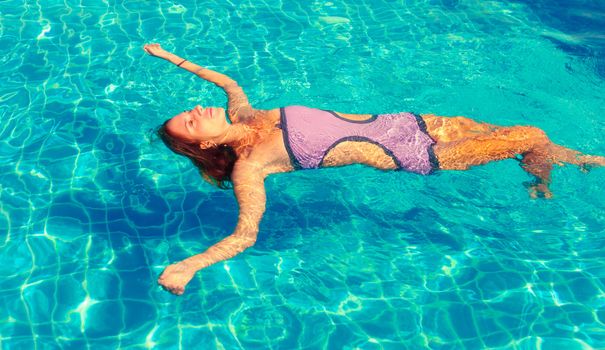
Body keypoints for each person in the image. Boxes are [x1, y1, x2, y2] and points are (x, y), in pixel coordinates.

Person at [143, 43, 604, 295]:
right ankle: (545, 179)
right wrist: (190, 266)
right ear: (201, 142)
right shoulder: (251, 167)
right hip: (421, 156)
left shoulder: (248, 115)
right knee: (530, 134)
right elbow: (246, 234)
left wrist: (171, 59)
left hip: (416, 122)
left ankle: (569, 167)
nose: (197, 109)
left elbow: (227, 81)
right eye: (189, 119)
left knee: (526, 138)